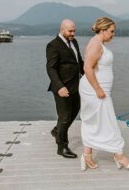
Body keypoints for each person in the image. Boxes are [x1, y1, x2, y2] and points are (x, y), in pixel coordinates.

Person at [79, 17, 129, 170]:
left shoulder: (99, 43)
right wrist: (98, 89)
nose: (113, 34)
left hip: (99, 89)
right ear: (103, 30)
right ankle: (119, 155)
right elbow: (87, 68)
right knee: (109, 121)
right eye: (111, 31)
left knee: (94, 121)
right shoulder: (96, 45)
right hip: (94, 90)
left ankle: (87, 155)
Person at [46, 19, 84, 158]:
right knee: (64, 117)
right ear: (62, 29)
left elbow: (79, 62)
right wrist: (60, 86)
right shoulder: (53, 45)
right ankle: (62, 147)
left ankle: (57, 131)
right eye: (70, 31)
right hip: (61, 88)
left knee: (75, 111)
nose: (73, 33)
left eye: (74, 30)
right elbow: (51, 68)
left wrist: (89, 76)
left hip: (76, 86)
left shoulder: (74, 42)